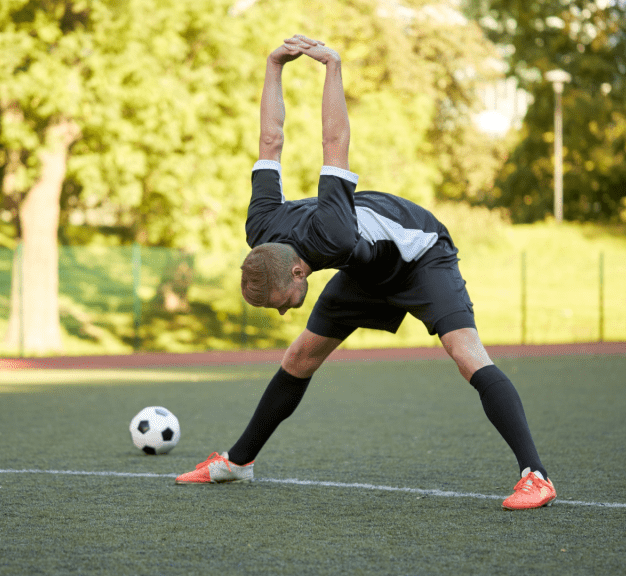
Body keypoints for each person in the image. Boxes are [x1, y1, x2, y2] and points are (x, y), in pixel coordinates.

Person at [174, 35, 556, 510]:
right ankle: (239, 462)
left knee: (466, 354)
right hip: (364, 267)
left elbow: (334, 140)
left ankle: (535, 475)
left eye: (282, 302)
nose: (282, 313)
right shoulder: (262, 228)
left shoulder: (331, 234)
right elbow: (270, 139)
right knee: (298, 358)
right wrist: (274, 65)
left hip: (419, 255)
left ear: (297, 271)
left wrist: (331, 65)